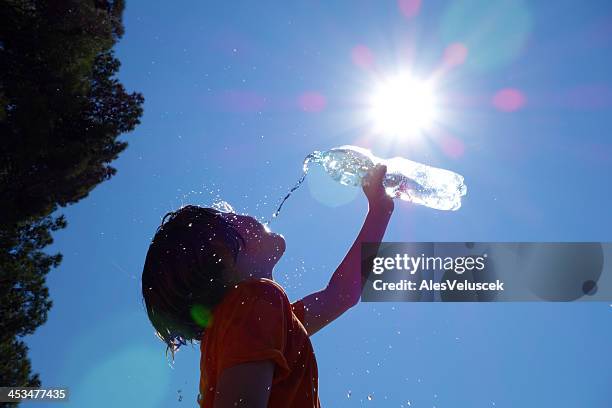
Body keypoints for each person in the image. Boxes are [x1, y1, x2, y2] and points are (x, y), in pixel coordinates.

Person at [141, 164, 394, 407]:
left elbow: (342, 295)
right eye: (230, 217)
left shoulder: (256, 321)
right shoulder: (253, 304)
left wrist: (380, 210)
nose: (244, 215)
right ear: (220, 254)